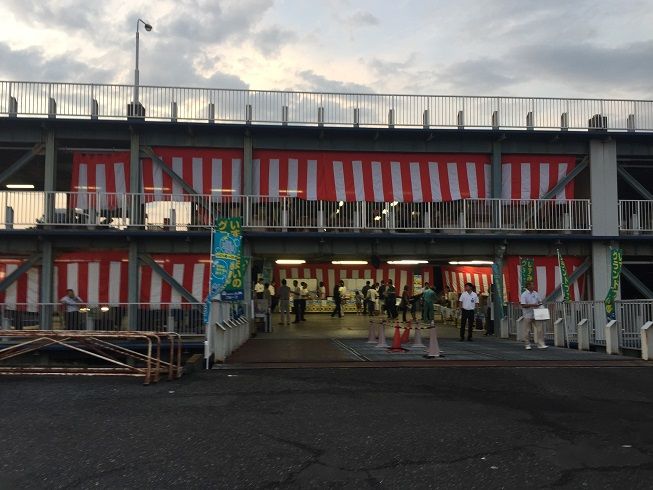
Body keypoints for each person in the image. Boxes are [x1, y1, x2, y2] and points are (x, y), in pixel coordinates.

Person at [520, 281, 547, 350]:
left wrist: (540, 305)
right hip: (527, 314)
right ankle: (527, 344)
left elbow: (540, 301)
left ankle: (541, 344)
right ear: (528, 286)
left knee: (540, 329)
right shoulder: (524, 294)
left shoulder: (535, 293)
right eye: (532, 285)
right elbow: (523, 305)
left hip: (536, 314)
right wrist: (533, 305)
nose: (533, 286)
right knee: (527, 330)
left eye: (533, 285)